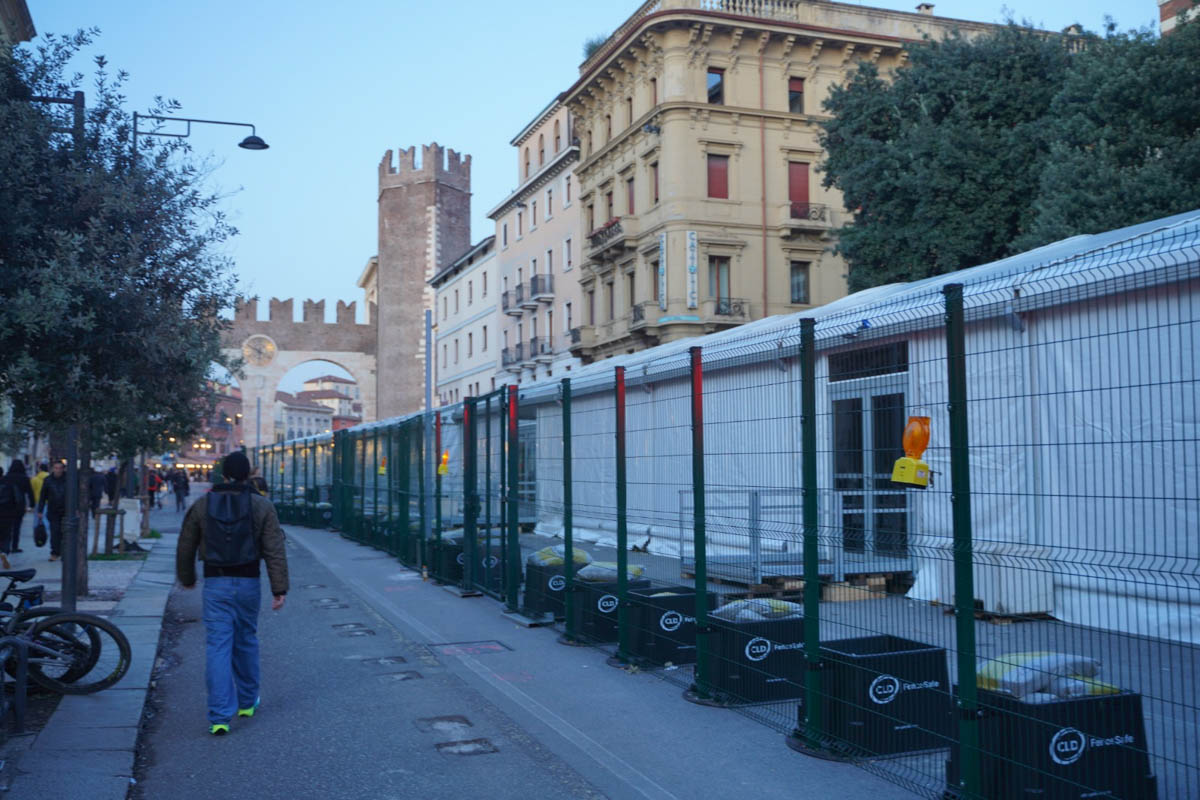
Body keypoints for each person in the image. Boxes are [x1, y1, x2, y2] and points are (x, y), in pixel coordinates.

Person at [176, 451, 288, 736]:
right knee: (246, 639)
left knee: (218, 645)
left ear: (224, 475)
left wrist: (187, 578)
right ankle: (247, 702)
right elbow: (274, 549)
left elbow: (186, 544)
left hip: (216, 582)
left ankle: (219, 717)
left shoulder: (203, 504)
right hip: (249, 581)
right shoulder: (262, 505)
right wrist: (279, 588)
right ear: (249, 474)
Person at [0, 461, 34, 559]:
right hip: (19, 506)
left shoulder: (6, 478)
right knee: (17, 527)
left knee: (7, 527)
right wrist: (32, 504)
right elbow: (30, 492)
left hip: (6, 506)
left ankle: (5, 546)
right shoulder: (25, 478)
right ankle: (15, 546)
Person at [35, 461, 68, 562]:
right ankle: (55, 553)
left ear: (63, 469)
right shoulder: (48, 480)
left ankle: (64, 552)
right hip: (53, 510)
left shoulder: (68, 479)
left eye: (60, 468)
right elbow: (43, 496)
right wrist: (40, 510)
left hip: (66, 510)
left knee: (65, 533)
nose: (58, 470)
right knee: (55, 532)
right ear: (53, 469)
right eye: (56, 468)